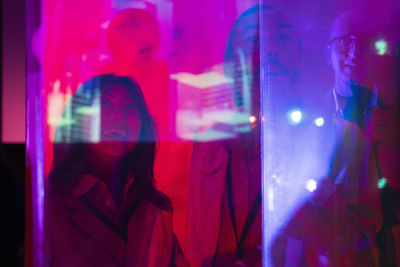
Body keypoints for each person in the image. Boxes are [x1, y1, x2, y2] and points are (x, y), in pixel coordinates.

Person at [271, 11, 400, 266]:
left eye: (362, 43)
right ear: (327, 53)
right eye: (344, 43)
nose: (353, 53)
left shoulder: (396, 121)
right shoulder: (305, 124)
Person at [186, 5, 302, 266]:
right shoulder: (207, 146)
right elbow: (191, 240)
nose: (269, 52)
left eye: (281, 38)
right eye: (255, 42)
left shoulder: (317, 139)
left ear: (299, 58)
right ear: (231, 67)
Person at [45, 74, 186, 266]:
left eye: (128, 106)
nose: (119, 115)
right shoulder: (49, 206)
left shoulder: (157, 209)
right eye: (105, 103)